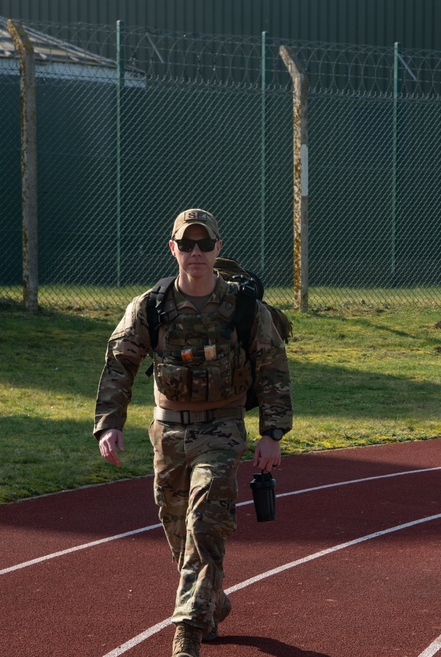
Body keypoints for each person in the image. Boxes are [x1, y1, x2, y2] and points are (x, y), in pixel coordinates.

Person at [93, 208, 292, 657]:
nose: (196, 253)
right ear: (173, 249)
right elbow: (119, 364)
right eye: (187, 244)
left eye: (205, 244)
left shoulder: (244, 308)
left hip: (222, 429)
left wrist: (272, 433)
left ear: (218, 248)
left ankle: (186, 631)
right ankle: (211, 601)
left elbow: (273, 368)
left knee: (206, 523)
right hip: (167, 433)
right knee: (179, 530)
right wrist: (109, 423)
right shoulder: (151, 306)